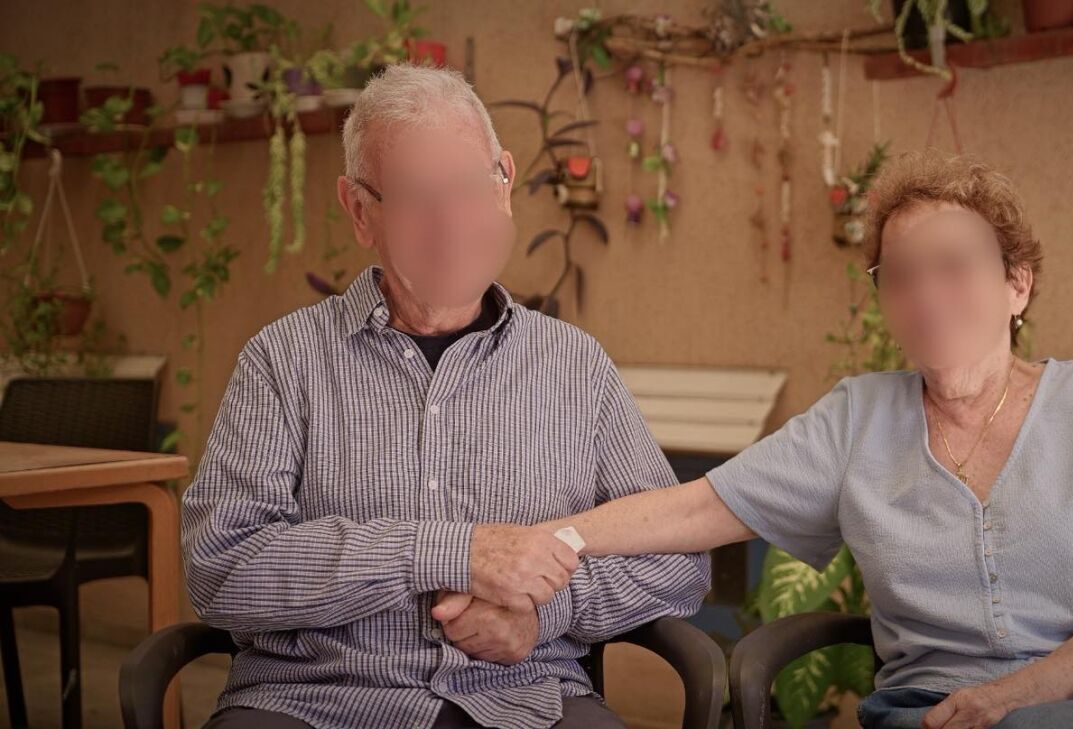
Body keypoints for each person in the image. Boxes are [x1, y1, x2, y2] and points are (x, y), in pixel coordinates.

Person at [531, 150, 1073, 729]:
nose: (926, 294)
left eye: (953, 266)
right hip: (929, 712)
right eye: (901, 275)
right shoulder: (857, 418)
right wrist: (533, 544)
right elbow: (695, 508)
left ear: (1017, 284)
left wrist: (1017, 697)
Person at [181, 63, 709, 729]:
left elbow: (676, 557)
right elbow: (221, 567)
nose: (450, 222)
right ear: (359, 211)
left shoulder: (576, 367)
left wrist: (546, 608)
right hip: (313, 702)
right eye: (414, 197)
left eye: (467, 186)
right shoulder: (282, 361)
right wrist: (446, 551)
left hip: (523, 699)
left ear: (504, 182)